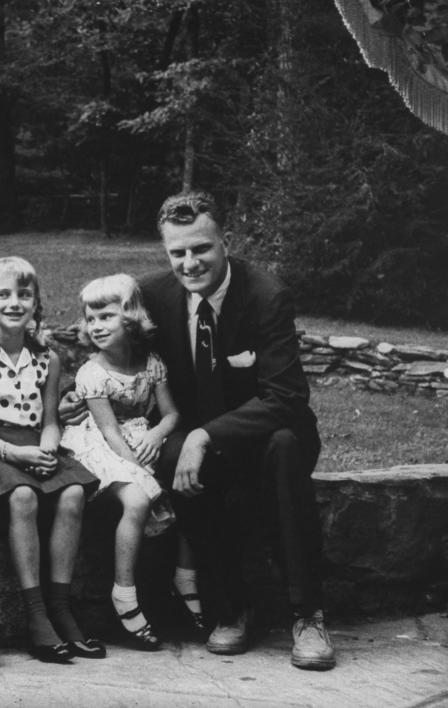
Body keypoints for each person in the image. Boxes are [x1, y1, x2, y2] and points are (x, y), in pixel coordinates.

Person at [139, 190, 333, 670]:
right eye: (177, 252)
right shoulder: (154, 296)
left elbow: (285, 398)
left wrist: (208, 436)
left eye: (201, 248)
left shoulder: (265, 295)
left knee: (285, 449)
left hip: (270, 433)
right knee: (169, 454)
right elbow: (105, 344)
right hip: (200, 436)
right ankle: (232, 607)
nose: (190, 263)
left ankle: (307, 614)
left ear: (225, 242)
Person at [0, 256, 103, 664]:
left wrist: (49, 448)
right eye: (3, 294)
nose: (14, 302)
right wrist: (16, 453)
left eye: (24, 294)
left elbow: (52, 420)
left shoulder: (48, 358)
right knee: (23, 497)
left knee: (73, 492)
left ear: (36, 304)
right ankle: (36, 614)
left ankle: (60, 606)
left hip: (36, 442)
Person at [60, 274, 204, 651]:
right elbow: (108, 433)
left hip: (141, 437)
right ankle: (124, 594)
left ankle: (186, 577)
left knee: (187, 486)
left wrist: (156, 436)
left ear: (131, 318)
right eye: (90, 318)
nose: (96, 326)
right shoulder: (93, 373)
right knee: (139, 499)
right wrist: (140, 471)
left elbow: (171, 414)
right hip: (100, 445)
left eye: (105, 316)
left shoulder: (151, 363)